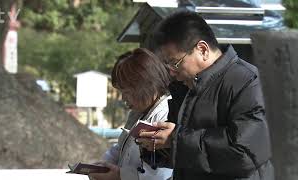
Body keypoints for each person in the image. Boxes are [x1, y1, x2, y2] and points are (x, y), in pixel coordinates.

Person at [138, 11, 274, 180]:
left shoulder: (248, 81)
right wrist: (158, 146)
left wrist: (175, 141)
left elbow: (246, 152)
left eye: (174, 63)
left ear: (202, 49)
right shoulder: (184, 86)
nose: (171, 72)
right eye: (167, 65)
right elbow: (189, 156)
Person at [89, 48, 173, 180]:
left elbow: (160, 174)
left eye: (126, 91)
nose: (123, 98)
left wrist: (120, 176)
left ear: (144, 85)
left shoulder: (166, 114)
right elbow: (122, 146)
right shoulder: (137, 113)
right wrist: (104, 165)